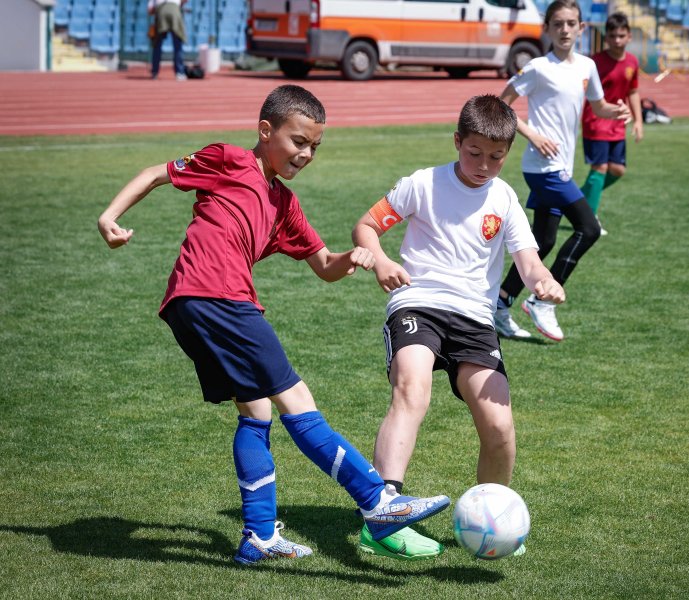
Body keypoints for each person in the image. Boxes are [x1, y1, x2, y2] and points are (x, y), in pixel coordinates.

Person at [97, 84, 449, 566]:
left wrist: (358, 258)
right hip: (217, 296)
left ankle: (259, 535)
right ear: (266, 131)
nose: (305, 154)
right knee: (297, 401)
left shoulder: (286, 205)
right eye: (298, 141)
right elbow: (157, 174)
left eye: (314, 147)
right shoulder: (227, 159)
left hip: (191, 305)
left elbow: (325, 265)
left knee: (256, 412)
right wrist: (110, 216)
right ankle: (378, 502)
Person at [352, 94, 566, 559]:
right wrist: (382, 261)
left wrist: (543, 280)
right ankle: (383, 516)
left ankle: (495, 518)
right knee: (412, 390)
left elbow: (527, 261)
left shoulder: (505, 197)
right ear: (457, 142)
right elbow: (366, 225)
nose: (484, 165)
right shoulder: (422, 184)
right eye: (474, 153)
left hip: (473, 319)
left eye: (496, 156)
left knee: (500, 425)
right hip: (418, 302)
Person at [492, 0, 631, 342]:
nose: (565, 30)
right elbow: (501, 104)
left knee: (543, 241)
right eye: (558, 24)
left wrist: (617, 112)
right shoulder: (538, 67)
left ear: (582, 29)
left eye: (571, 23)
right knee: (589, 228)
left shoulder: (586, 67)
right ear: (548, 29)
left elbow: (598, 106)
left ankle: (500, 304)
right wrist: (533, 135)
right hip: (542, 168)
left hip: (563, 165)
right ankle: (542, 300)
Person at [580, 11, 644, 235]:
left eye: (621, 35)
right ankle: (590, 219)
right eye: (613, 36)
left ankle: (577, 202)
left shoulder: (632, 62)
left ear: (629, 37)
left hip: (617, 124)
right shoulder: (594, 62)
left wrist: (638, 120)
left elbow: (633, 91)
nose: (617, 40)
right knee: (600, 168)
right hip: (595, 121)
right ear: (606, 38)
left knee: (618, 170)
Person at [148, 0, 188, 81]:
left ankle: (154, 72)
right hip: (175, 12)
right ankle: (179, 73)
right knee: (178, 45)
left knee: (157, 44)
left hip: (161, 13)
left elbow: (150, 10)